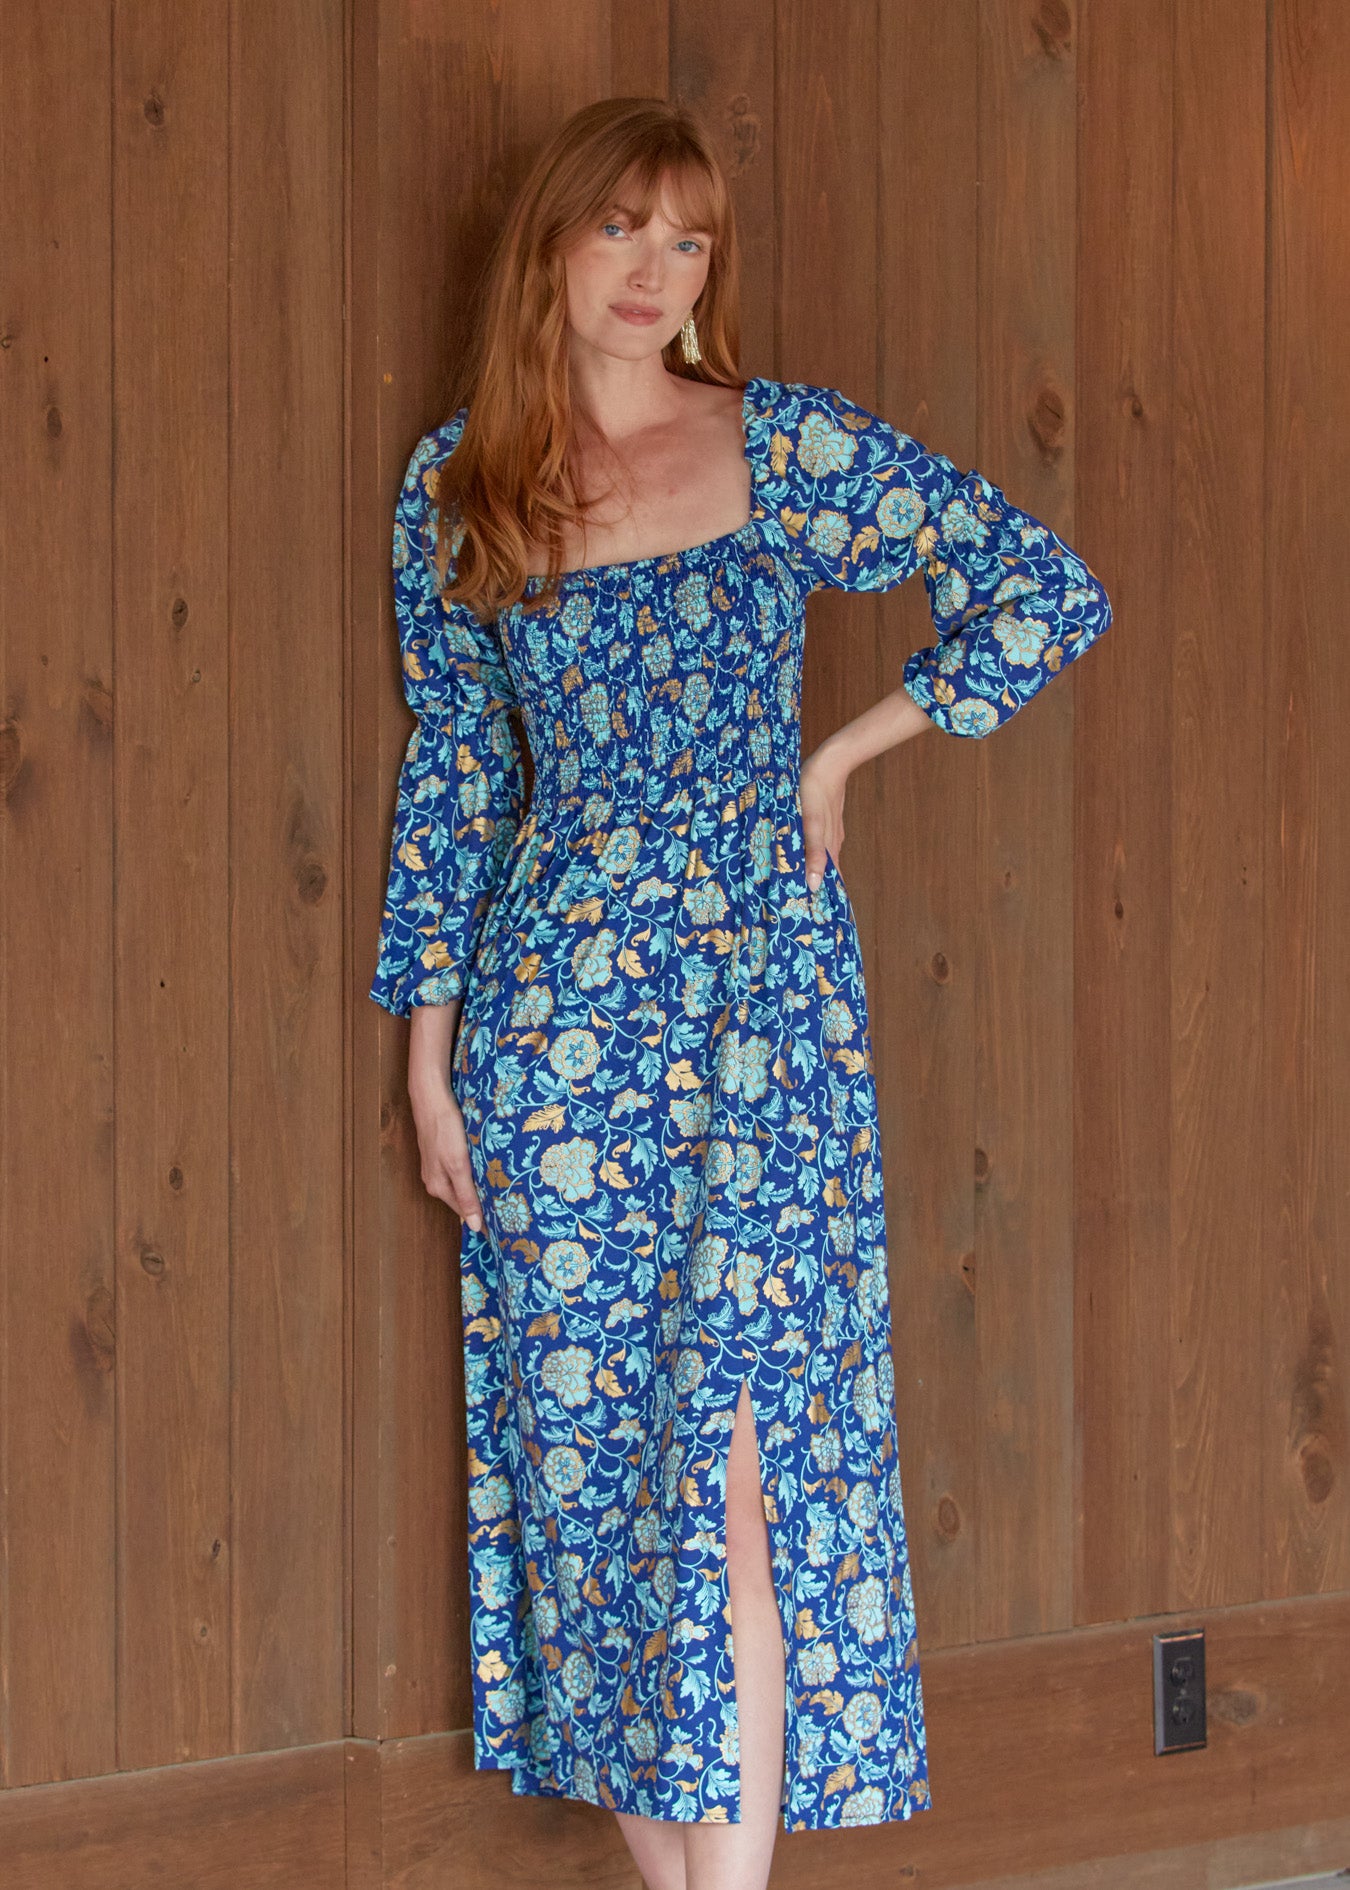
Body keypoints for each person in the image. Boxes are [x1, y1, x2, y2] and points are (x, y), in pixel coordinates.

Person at [369, 95, 1112, 1890]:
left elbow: (1040, 588)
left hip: (757, 1021)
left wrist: (846, 748)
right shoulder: (459, 481)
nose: (653, 270)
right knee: (586, 1498)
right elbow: (460, 779)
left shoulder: (774, 445)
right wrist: (429, 1062)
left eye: (687, 239)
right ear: (550, 241)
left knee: (740, 1483)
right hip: (547, 1040)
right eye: (621, 228)